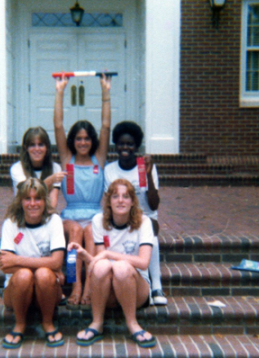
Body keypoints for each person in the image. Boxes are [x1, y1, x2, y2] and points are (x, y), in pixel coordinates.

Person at [68, 179, 156, 348]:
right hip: (108, 290)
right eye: (115, 196)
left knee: (121, 267)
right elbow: (100, 262)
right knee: (102, 266)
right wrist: (85, 256)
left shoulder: (144, 222)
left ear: (132, 202)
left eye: (126, 196)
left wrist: (109, 253)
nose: (121, 200)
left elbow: (144, 263)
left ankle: (132, 324)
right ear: (109, 201)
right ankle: (97, 323)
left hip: (136, 288)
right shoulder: (99, 220)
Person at [53, 74, 112, 305]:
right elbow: (58, 125)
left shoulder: (99, 159)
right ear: (72, 141)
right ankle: (74, 284)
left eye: (87, 138)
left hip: (95, 214)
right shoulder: (67, 159)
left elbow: (106, 125)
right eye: (78, 139)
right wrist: (60, 91)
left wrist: (105, 91)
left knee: (89, 232)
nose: (83, 143)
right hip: (71, 214)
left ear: (93, 141)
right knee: (76, 232)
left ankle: (89, 287)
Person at [104, 121, 167, 306]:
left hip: (145, 216)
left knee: (151, 234)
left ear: (136, 146)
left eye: (130, 144)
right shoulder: (110, 170)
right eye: (121, 143)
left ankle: (156, 285)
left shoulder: (145, 166)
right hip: (121, 216)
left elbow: (154, 205)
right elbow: (109, 203)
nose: (125, 148)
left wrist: (148, 175)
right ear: (116, 144)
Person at [0, 178, 65, 349]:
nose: (33, 204)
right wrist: (46, 265)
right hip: (17, 290)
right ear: (20, 201)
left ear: (45, 201)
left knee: (42, 275)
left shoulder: (54, 221)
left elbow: (57, 261)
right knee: (24, 276)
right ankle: (20, 324)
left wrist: (17, 260)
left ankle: (48, 323)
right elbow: (6, 264)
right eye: (28, 198)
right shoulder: (11, 224)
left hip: (47, 288)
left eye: (38, 199)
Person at [10, 126, 66, 208]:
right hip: (23, 214)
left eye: (41, 145)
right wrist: (49, 180)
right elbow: (28, 194)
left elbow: (52, 205)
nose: (37, 149)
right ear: (26, 148)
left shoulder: (55, 168)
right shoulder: (17, 168)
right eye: (32, 145)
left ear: (47, 148)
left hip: (46, 213)